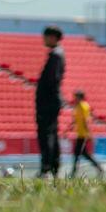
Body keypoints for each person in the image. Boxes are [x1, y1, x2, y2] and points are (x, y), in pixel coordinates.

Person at [36, 26, 66, 179]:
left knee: (47, 135)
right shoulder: (57, 55)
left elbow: (53, 81)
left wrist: (50, 100)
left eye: (46, 36)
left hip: (48, 103)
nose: (44, 39)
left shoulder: (56, 55)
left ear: (53, 37)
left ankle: (47, 167)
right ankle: (52, 167)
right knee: (51, 134)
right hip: (50, 102)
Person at [70, 90, 103, 178]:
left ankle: (73, 173)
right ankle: (99, 168)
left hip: (84, 135)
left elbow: (86, 121)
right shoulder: (77, 107)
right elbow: (75, 120)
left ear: (79, 97)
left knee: (77, 154)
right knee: (83, 154)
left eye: (75, 96)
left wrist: (89, 133)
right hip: (80, 134)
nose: (74, 98)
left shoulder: (84, 106)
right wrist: (69, 128)